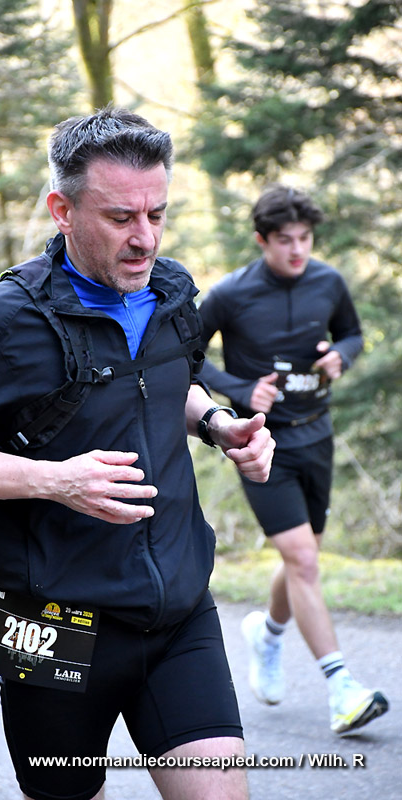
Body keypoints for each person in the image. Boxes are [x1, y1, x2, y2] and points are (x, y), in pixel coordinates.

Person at [0, 107, 275, 800]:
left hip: (177, 611)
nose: (145, 238)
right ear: (63, 211)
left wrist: (218, 424)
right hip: (48, 623)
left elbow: (171, 381)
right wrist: (55, 480)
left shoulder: (171, 292)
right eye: (120, 217)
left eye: (157, 214)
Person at [198, 184, 389, 735]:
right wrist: (240, 389)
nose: (298, 249)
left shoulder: (328, 281)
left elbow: (351, 334)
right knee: (303, 560)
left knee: (304, 557)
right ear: (262, 240)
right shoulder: (230, 294)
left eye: (305, 238)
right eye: (285, 240)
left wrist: (341, 356)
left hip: (317, 435)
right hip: (261, 442)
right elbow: (186, 356)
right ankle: (342, 688)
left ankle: (268, 635)